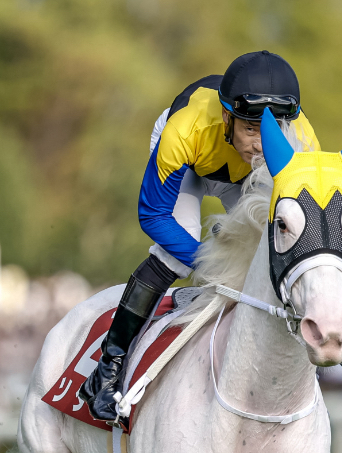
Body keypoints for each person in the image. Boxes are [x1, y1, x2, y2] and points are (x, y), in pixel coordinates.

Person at [79, 50, 320, 422]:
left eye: (273, 131)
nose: (261, 145)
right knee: (177, 250)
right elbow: (153, 215)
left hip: (242, 177)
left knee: (275, 248)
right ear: (227, 117)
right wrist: (211, 258)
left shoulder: (302, 138)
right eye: (251, 129)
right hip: (192, 163)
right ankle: (107, 369)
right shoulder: (185, 131)